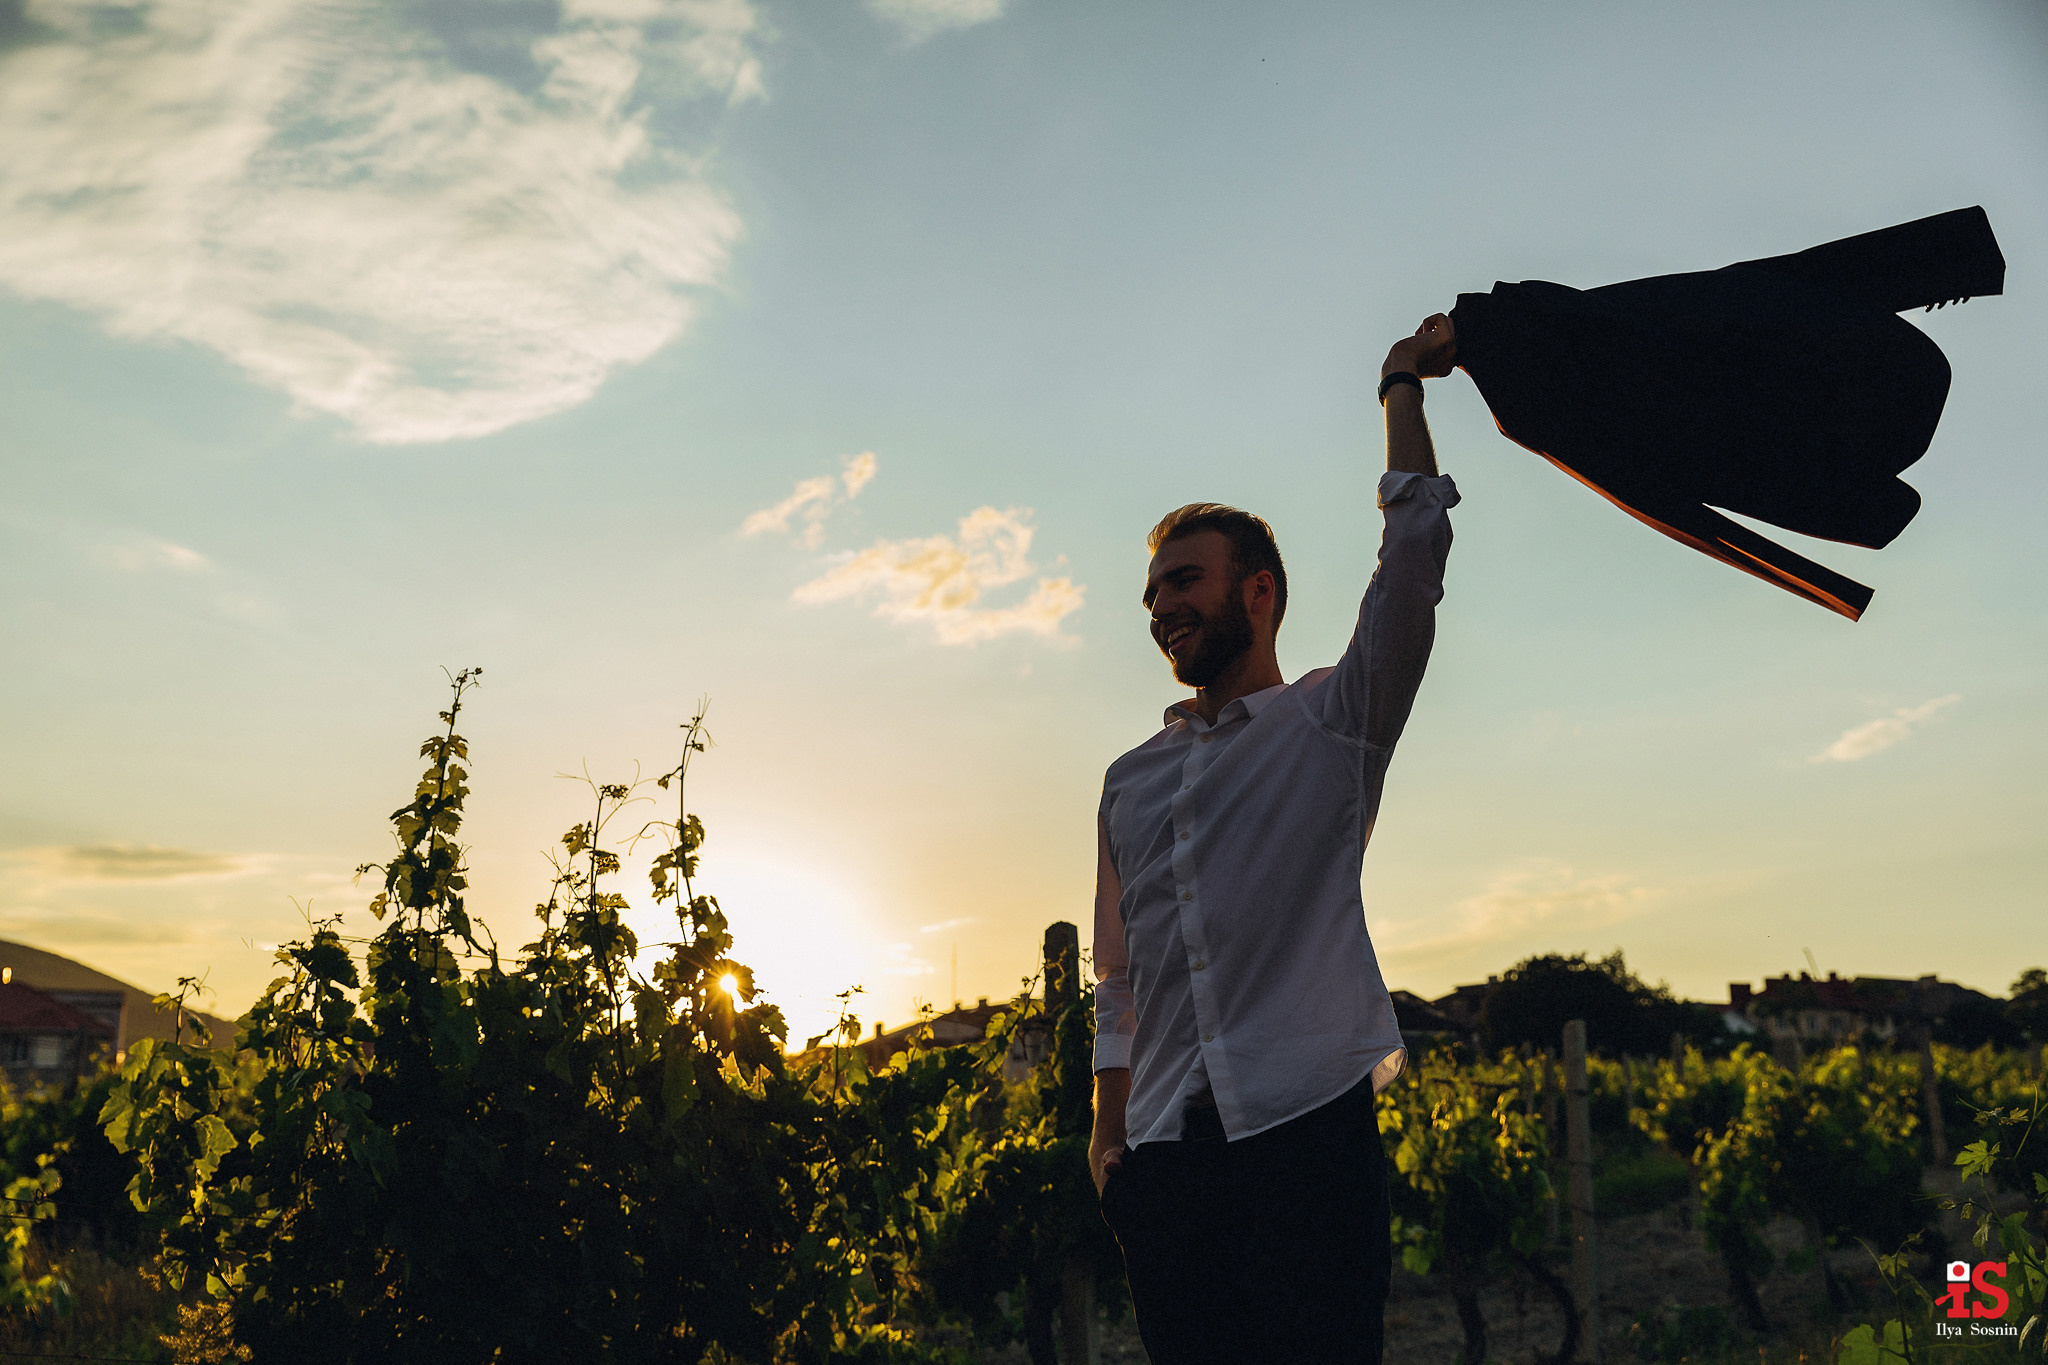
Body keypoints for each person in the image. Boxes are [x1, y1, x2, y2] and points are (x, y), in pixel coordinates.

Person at [1088, 315, 1460, 1364]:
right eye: (1153, 592)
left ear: (1257, 592)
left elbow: (1413, 561)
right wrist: (1107, 1136)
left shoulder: (1331, 724)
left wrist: (1399, 388)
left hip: (1305, 1138)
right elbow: (1119, 976)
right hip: (1162, 1164)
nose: (1161, 608)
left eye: (1183, 582)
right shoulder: (1127, 782)